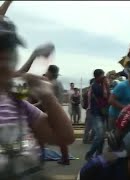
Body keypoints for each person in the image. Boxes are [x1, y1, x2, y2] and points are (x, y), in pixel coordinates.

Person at [0, 15, 74, 178]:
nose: (5, 55)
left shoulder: (14, 98)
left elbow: (65, 137)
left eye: (9, 47)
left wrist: (47, 96)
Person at [85, 69, 109, 160]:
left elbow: (108, 95)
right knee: (100, 135)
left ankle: (99, 154)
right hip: (95, 114)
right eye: (102, 76)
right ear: (97, 77)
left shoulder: (101, 85)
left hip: (102, 113)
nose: (104, 78)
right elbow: (105, 95)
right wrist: (105, 83)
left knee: (101, 136)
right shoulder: (94, 86)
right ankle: (90, 154)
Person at [82, 78, 95, 144]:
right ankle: (87, 139)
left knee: (89, 126)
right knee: (89, 126)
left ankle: (87, 139)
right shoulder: (91, 91)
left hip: (89, 110)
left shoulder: (87, 91)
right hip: (91, 110)